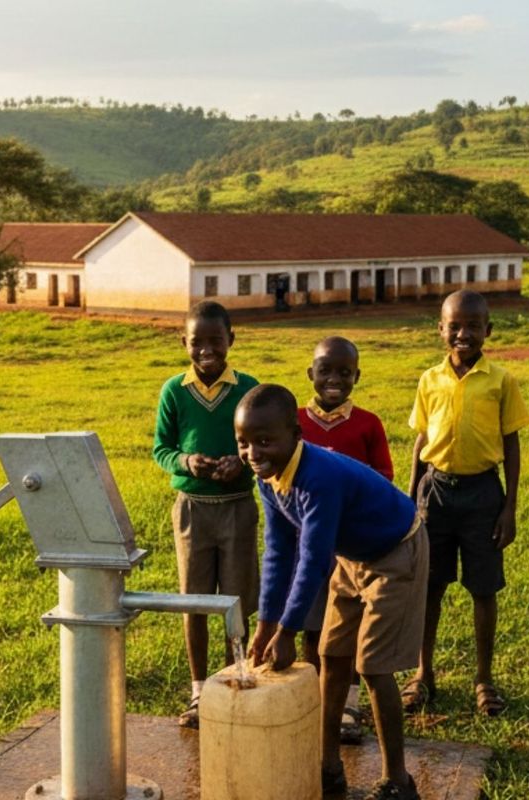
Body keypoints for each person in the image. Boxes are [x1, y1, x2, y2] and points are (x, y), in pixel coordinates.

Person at [239, 384, 427, 800]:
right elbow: (278, 551)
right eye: (243, 443)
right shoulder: (268, 478)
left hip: (395, 551)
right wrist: (266, 625)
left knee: (373, 666)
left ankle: (398, 780)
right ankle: (328, 765)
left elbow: (313, 560)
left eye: (264, 441)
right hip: (352, 555)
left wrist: (288, 632)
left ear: (296, 435)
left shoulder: (317, 479)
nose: (253, 453)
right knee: (332, 655)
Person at [402, 290, 529, 718]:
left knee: (483, 588)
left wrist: (509, 507)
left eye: (473, 326)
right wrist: (410, 499)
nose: (463, 334)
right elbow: (422, 440)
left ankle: (484, 679)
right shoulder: (429, 379)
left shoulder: (501, 381)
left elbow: (511, 444)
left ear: (487, 330)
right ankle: (423, 673)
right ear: (440, 329)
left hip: (483, 496)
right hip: (435, 492)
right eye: (454, 326)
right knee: (429, 587)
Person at [152, 300, 260, 729]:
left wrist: (241, 461)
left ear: (231, 340)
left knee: (236, 601)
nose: (207, 350)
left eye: (216, 340)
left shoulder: (248, 388)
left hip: (237, 507)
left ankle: (237, 678)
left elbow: (262, 443)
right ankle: (199, 690)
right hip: (193, 511)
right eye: (197, 342)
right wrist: (185, 462)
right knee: (193, 602)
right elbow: (162, 448)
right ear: (184, 342)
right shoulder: (174, 390)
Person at [296, 335, 394, 744]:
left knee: (348, 623)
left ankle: (349, 704)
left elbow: (383, 478)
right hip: (306, 542)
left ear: (357, 376)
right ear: (311, 374)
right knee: (310, 623)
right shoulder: (295, 422)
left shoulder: (368, 424)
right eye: (325, 371)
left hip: (351, 547)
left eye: (344, 372)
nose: (334, 379)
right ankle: (312, 700)